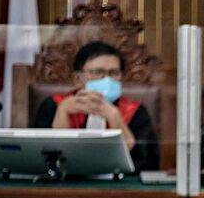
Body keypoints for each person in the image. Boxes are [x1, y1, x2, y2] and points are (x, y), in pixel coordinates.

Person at [33, 41, 159, 171]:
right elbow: (39, 157)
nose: (107, 80)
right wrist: (62, 113)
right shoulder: (54, 104)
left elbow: (147, 165)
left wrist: (116, 118)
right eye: (98, 72)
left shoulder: (136, 111)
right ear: (77, 79)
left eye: (114, 73)